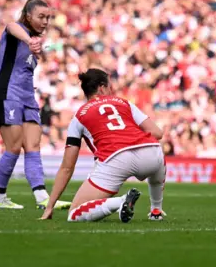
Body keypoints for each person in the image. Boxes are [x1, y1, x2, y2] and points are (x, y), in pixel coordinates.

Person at [40, 68, 167, 222]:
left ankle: (120, 201)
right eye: (109, 87)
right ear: (101, 88)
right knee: (156, 152)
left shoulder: (79, 116)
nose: (111, 90)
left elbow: (67, 167)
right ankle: (156, 210)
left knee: (74, 214)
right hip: (151, 153)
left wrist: (50, 206)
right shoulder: (123, 102)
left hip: (116, 158)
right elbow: (157, 133)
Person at [0, 0, 71, 210]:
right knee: (14, 147)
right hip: (7, 95)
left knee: (33, 146)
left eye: (48, 17)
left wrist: (35, 43)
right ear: (28, 16)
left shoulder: (36, 41)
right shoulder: (17, 33)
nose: (45, 21)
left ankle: (42, 197)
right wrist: (29, 40)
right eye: (41, 16)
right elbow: (10, 25)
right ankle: (0, 198)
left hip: (27, 97)